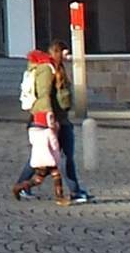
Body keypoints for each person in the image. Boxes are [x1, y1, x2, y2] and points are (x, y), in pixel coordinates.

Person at [15, 40, 92, 203]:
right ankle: (73, 191)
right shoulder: (46, 69)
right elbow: (44, 95)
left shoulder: (57, 67)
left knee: (53, 156)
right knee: (55, 157)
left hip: (61, 118)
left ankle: (73, 190)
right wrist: (49, 117)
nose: (68, 55)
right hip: (50, 120)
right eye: (65, 52)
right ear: (57, 51)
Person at [11, 111, 69, 205]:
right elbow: (55, 146)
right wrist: (57, 158)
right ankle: (59, 197)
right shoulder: (49, 132)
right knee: (56, 176)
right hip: (49, 159)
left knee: (38, 179)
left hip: (38, 159)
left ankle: (20, 187)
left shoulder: (33, 132)